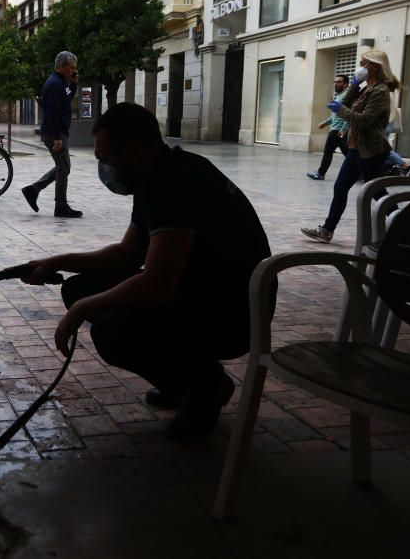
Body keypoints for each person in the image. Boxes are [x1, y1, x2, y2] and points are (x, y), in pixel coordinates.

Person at [25, 103, 273, 441]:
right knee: (78, 289)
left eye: (105, 157)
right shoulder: (154, 174)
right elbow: (127, 255)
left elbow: (155, 284)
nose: (103, 167)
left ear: (135, 152)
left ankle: (205, 385)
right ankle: (181, 381)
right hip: (199, 290)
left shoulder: (175, 183)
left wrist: (83, 311)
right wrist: (56, 262)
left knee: (112, 331)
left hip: (233, 314)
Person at [302, 50, 398, 243]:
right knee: (341, 188)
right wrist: (354, 84)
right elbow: (344, 103)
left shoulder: (380, 91)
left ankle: (401, 223)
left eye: (364, 63)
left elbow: (364, 120)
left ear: (375, 66)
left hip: (370, 150)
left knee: (376, 192)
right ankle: (327, 230)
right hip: (356, 148)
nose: (360, 66)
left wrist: (341, 110)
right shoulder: (364, 87)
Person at [21, 51, 82, 218]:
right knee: (64, 168)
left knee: (63, 167)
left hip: (58, 131)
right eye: (71, 67)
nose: (74, 71)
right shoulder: (54, 84)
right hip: (54, 133)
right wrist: (57, 138)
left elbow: (66, 100)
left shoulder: (61, 82)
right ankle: (60, 206)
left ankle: (33, 190)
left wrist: (74, 84)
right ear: (61, 66)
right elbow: (52, 113)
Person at [306, 74, 350, 180]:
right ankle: (360, 173)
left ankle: (321, 173)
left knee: (328, 152)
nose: (336, 84)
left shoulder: (346, 96)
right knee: (348, 154)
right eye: (335, 82)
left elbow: (349, 114)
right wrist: (325, 123)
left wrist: (343, 129)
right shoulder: (339, 96)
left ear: (346, 84)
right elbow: (336, 115)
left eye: (339, 82)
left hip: (338, 130)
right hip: (338, 129)